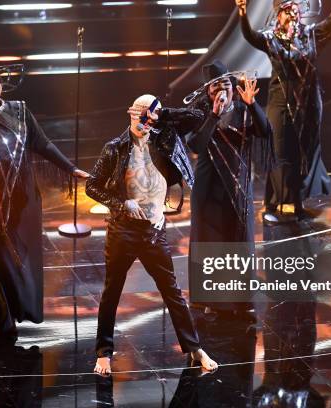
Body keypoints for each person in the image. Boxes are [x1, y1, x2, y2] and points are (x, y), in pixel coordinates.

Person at [0, 63, 89, 345]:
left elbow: (42, 144)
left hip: (20, 193)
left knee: (16, 253)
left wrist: (70, 168)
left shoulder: (20, 110)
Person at [86, 94, 218, 375]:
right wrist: (121, 204)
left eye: (149, 114)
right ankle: (103, 353)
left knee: (172, 293)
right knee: (112, 292)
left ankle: (194, 348)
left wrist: (161, 113)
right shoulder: (115, 148)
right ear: (129, 112)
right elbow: (92, 186)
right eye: (139, 113)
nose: (143, 119)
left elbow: (197, 118)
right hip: (123, 230)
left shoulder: (164, 140)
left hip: (154, 230)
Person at [236, 0, 331, 222]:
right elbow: (249, 35)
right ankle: (276, 202)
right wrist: (243, 13)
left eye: (295, 10)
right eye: (287, 10)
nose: (292, 14)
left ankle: (296, 202)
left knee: (301, 154)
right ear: (278, 14)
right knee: (280, 152)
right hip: (280, 103)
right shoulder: (271, 39)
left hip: (307, 106)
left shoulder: (310, 36)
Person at [185, 60, 273, 311]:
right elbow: (195, 145)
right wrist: (213, 114)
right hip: (208, 188)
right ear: (208, 92)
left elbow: (266, 131)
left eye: (225, 84)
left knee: (238, 240)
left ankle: (240, 297)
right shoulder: (201, 111)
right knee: (210, 242)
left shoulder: (245, 109)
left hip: (237, 186)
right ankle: (209, 298)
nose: (221, 91)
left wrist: (253, 104)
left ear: (233, 85)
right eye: (214, 88)